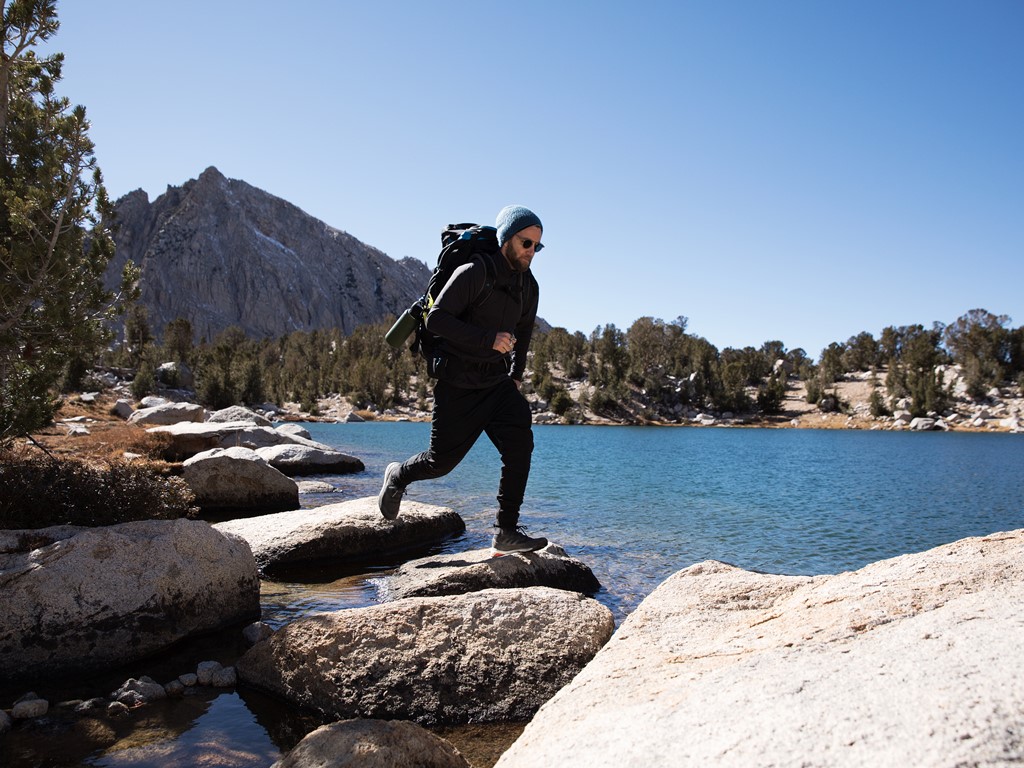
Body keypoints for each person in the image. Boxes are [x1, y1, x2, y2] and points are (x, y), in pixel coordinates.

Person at [378, 205, 548, 556]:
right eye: (526, 243)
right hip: (458, 382)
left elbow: (524, 334)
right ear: (506, 238)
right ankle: (398, 475)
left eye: (537, 246)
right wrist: (488, 339)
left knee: (520, 444)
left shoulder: (528, 286)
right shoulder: (475, 271)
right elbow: (436, 319)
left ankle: (506, 531)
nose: (531, 251)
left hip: (497, 383)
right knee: (439, 463)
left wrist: (515, 377)